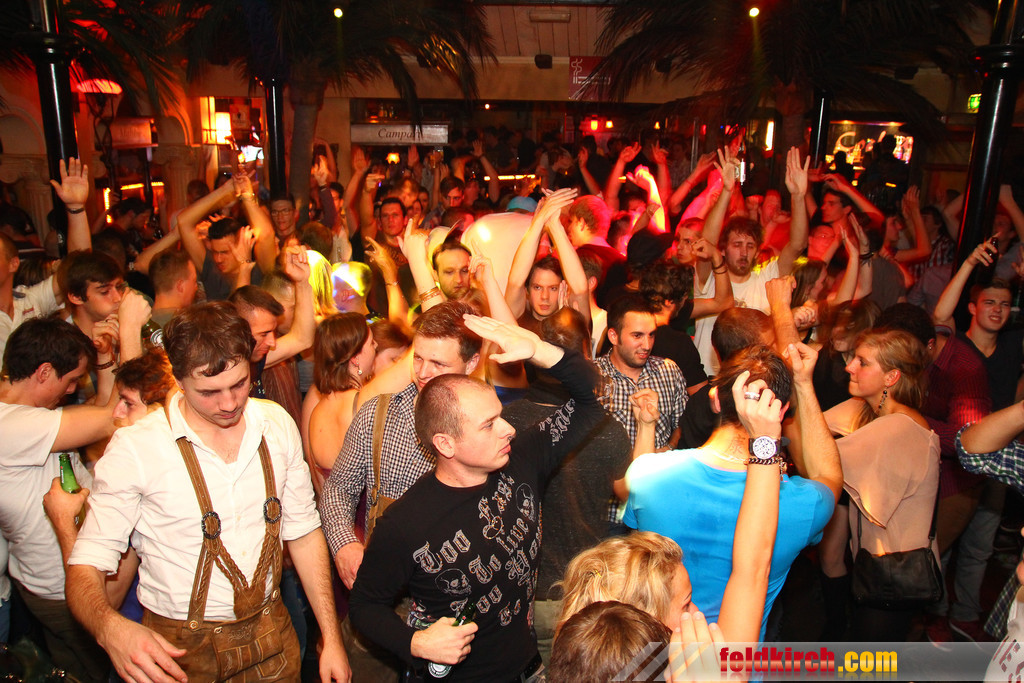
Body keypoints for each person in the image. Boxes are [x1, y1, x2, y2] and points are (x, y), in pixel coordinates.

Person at [65, 301, 350, 683]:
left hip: (273, 638)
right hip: (178, 655)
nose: (229, 403)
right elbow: (86, 564)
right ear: (179, 380)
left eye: (239, 384)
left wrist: (331, 636)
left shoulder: (276, 425)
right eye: (209, 392)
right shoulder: (137, 447)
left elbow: (303, 532)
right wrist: (109, 627)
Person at [348, 313, 605, 681]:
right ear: (446, 444)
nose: (508, 428)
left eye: (500, 416)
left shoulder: (523, 459)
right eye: (489, 425)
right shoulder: (405, 523)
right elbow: (365, 605)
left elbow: (591, 396)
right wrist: (415, 642)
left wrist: (539, 349)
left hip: (528, 669)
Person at [623, 344, 840, 638]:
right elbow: (830, 475)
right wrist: (803, 383)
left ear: (714, 399)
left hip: (657, 654)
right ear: (781, 412)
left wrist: (645, 427)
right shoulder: (805, 503)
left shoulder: (647, 473)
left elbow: (636, 495)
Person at [0, 317, 114, 681]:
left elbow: (101, 408)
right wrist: (129, 330)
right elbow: (112, 418)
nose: (72, 390)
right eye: (70, 380)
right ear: (45, 372)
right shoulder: (10, 426)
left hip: (43, 579)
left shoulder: (28, 415)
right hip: (58, 586)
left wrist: (105, 358)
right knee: (97, 671)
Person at [823, 329, 940, 640]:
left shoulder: (899, 428)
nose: (850, 367)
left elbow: (821, 459)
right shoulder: (871, 412)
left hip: (893, 579)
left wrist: (803, 383)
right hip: (876, 571)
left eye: (863, 362)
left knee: (871, 660)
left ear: (891, 377)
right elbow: (810, 428)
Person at [307, 313, 377, 487]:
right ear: (355, 358)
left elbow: (322, 484)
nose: (376, 346)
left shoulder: (316, 411)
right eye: (371, 343)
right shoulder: (364, 404)